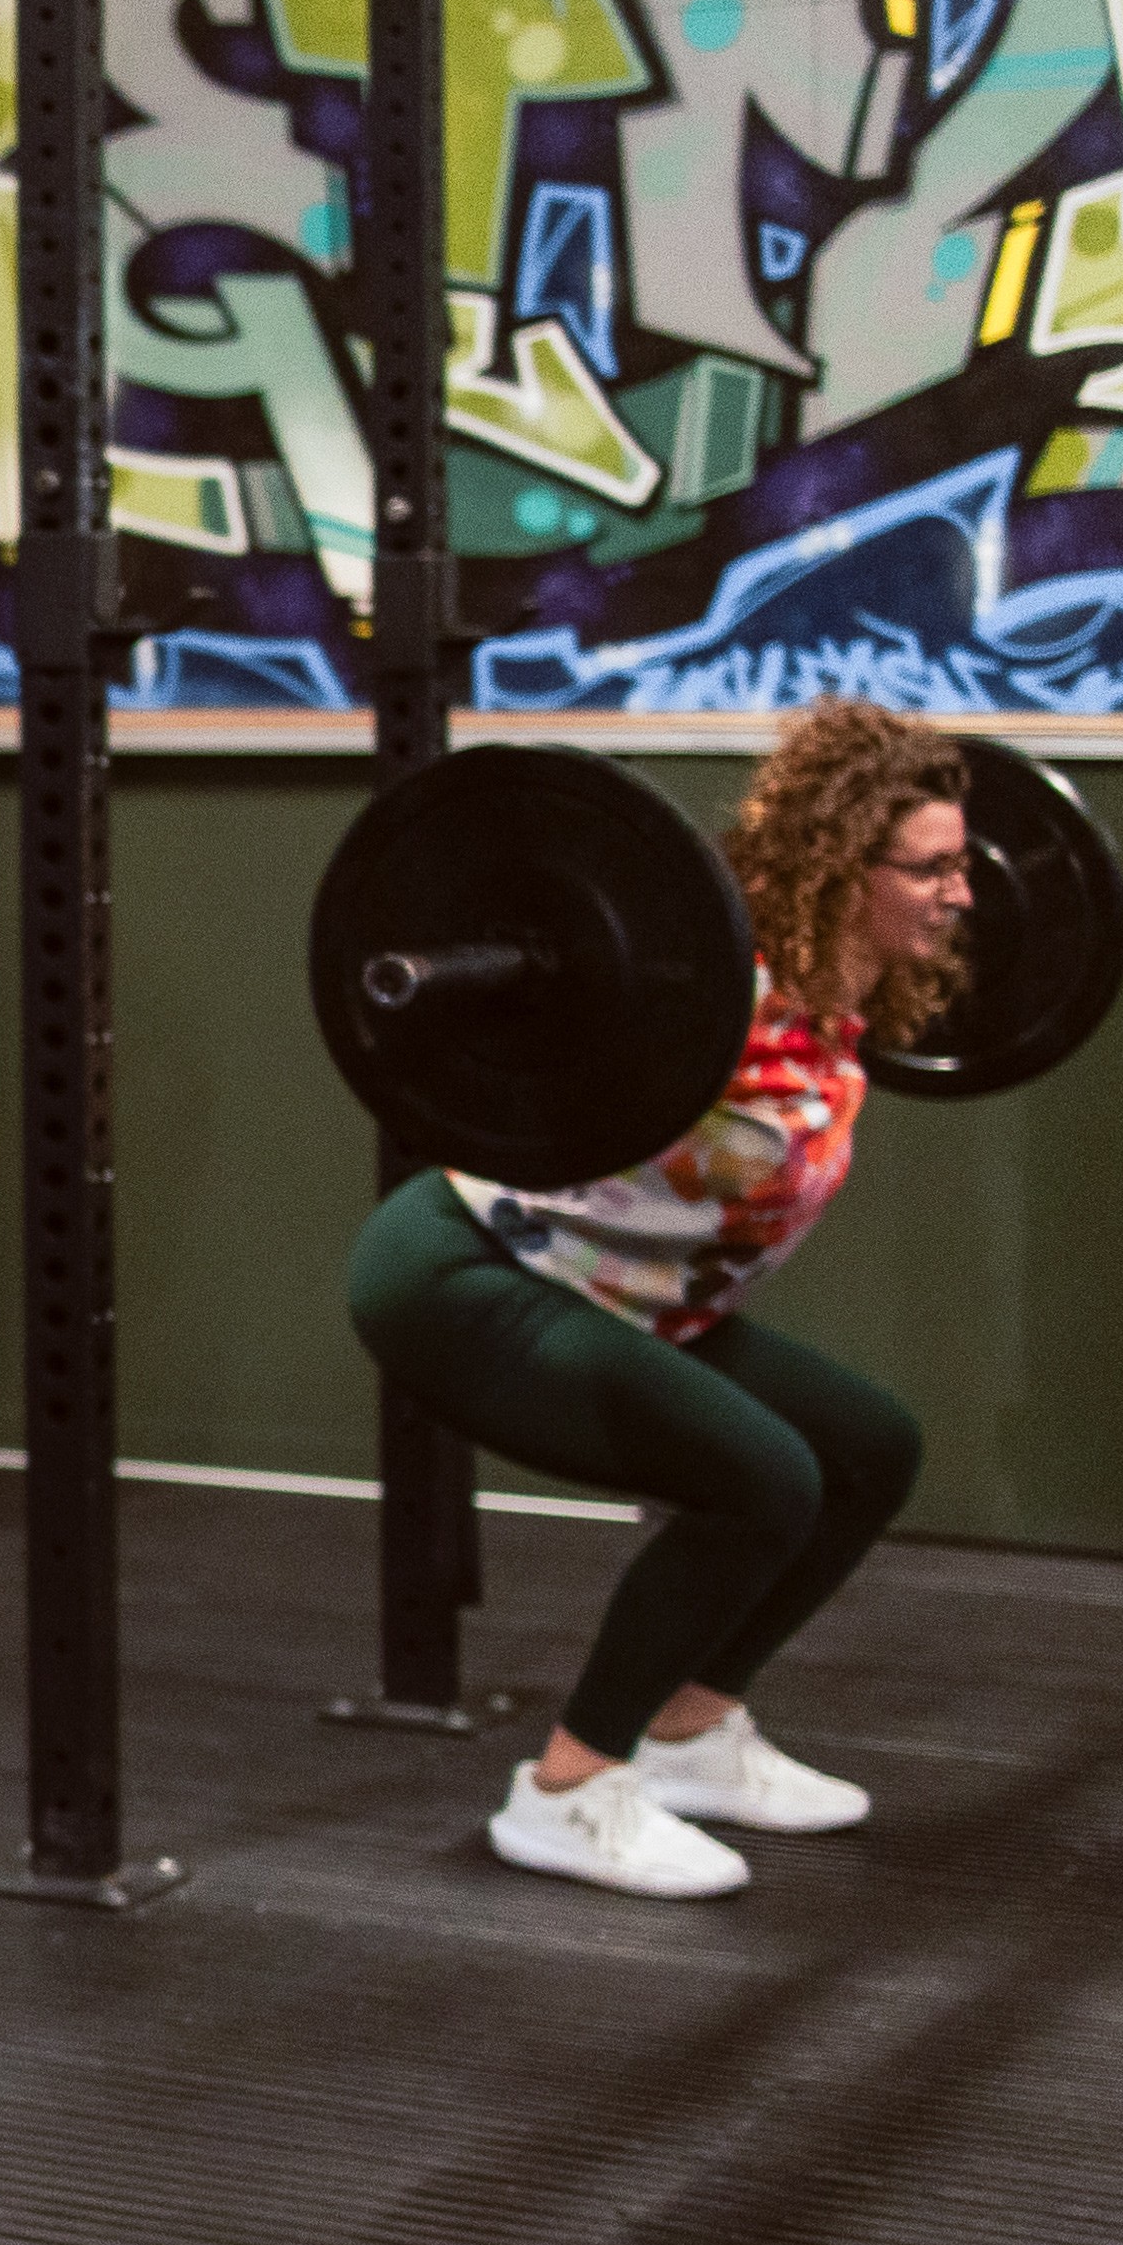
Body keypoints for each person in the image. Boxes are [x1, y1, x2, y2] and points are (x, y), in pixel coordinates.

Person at [344, 699, 974, 1900]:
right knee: (762, 1479)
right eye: (933, 868)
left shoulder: (834, 1011)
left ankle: (693, 1735)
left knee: (865, 1449)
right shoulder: (705, 997)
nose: (962, 892)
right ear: (846, 872)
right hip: (469, 1273)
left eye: (957, 863)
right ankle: (566, 1792)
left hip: (624, 1295)